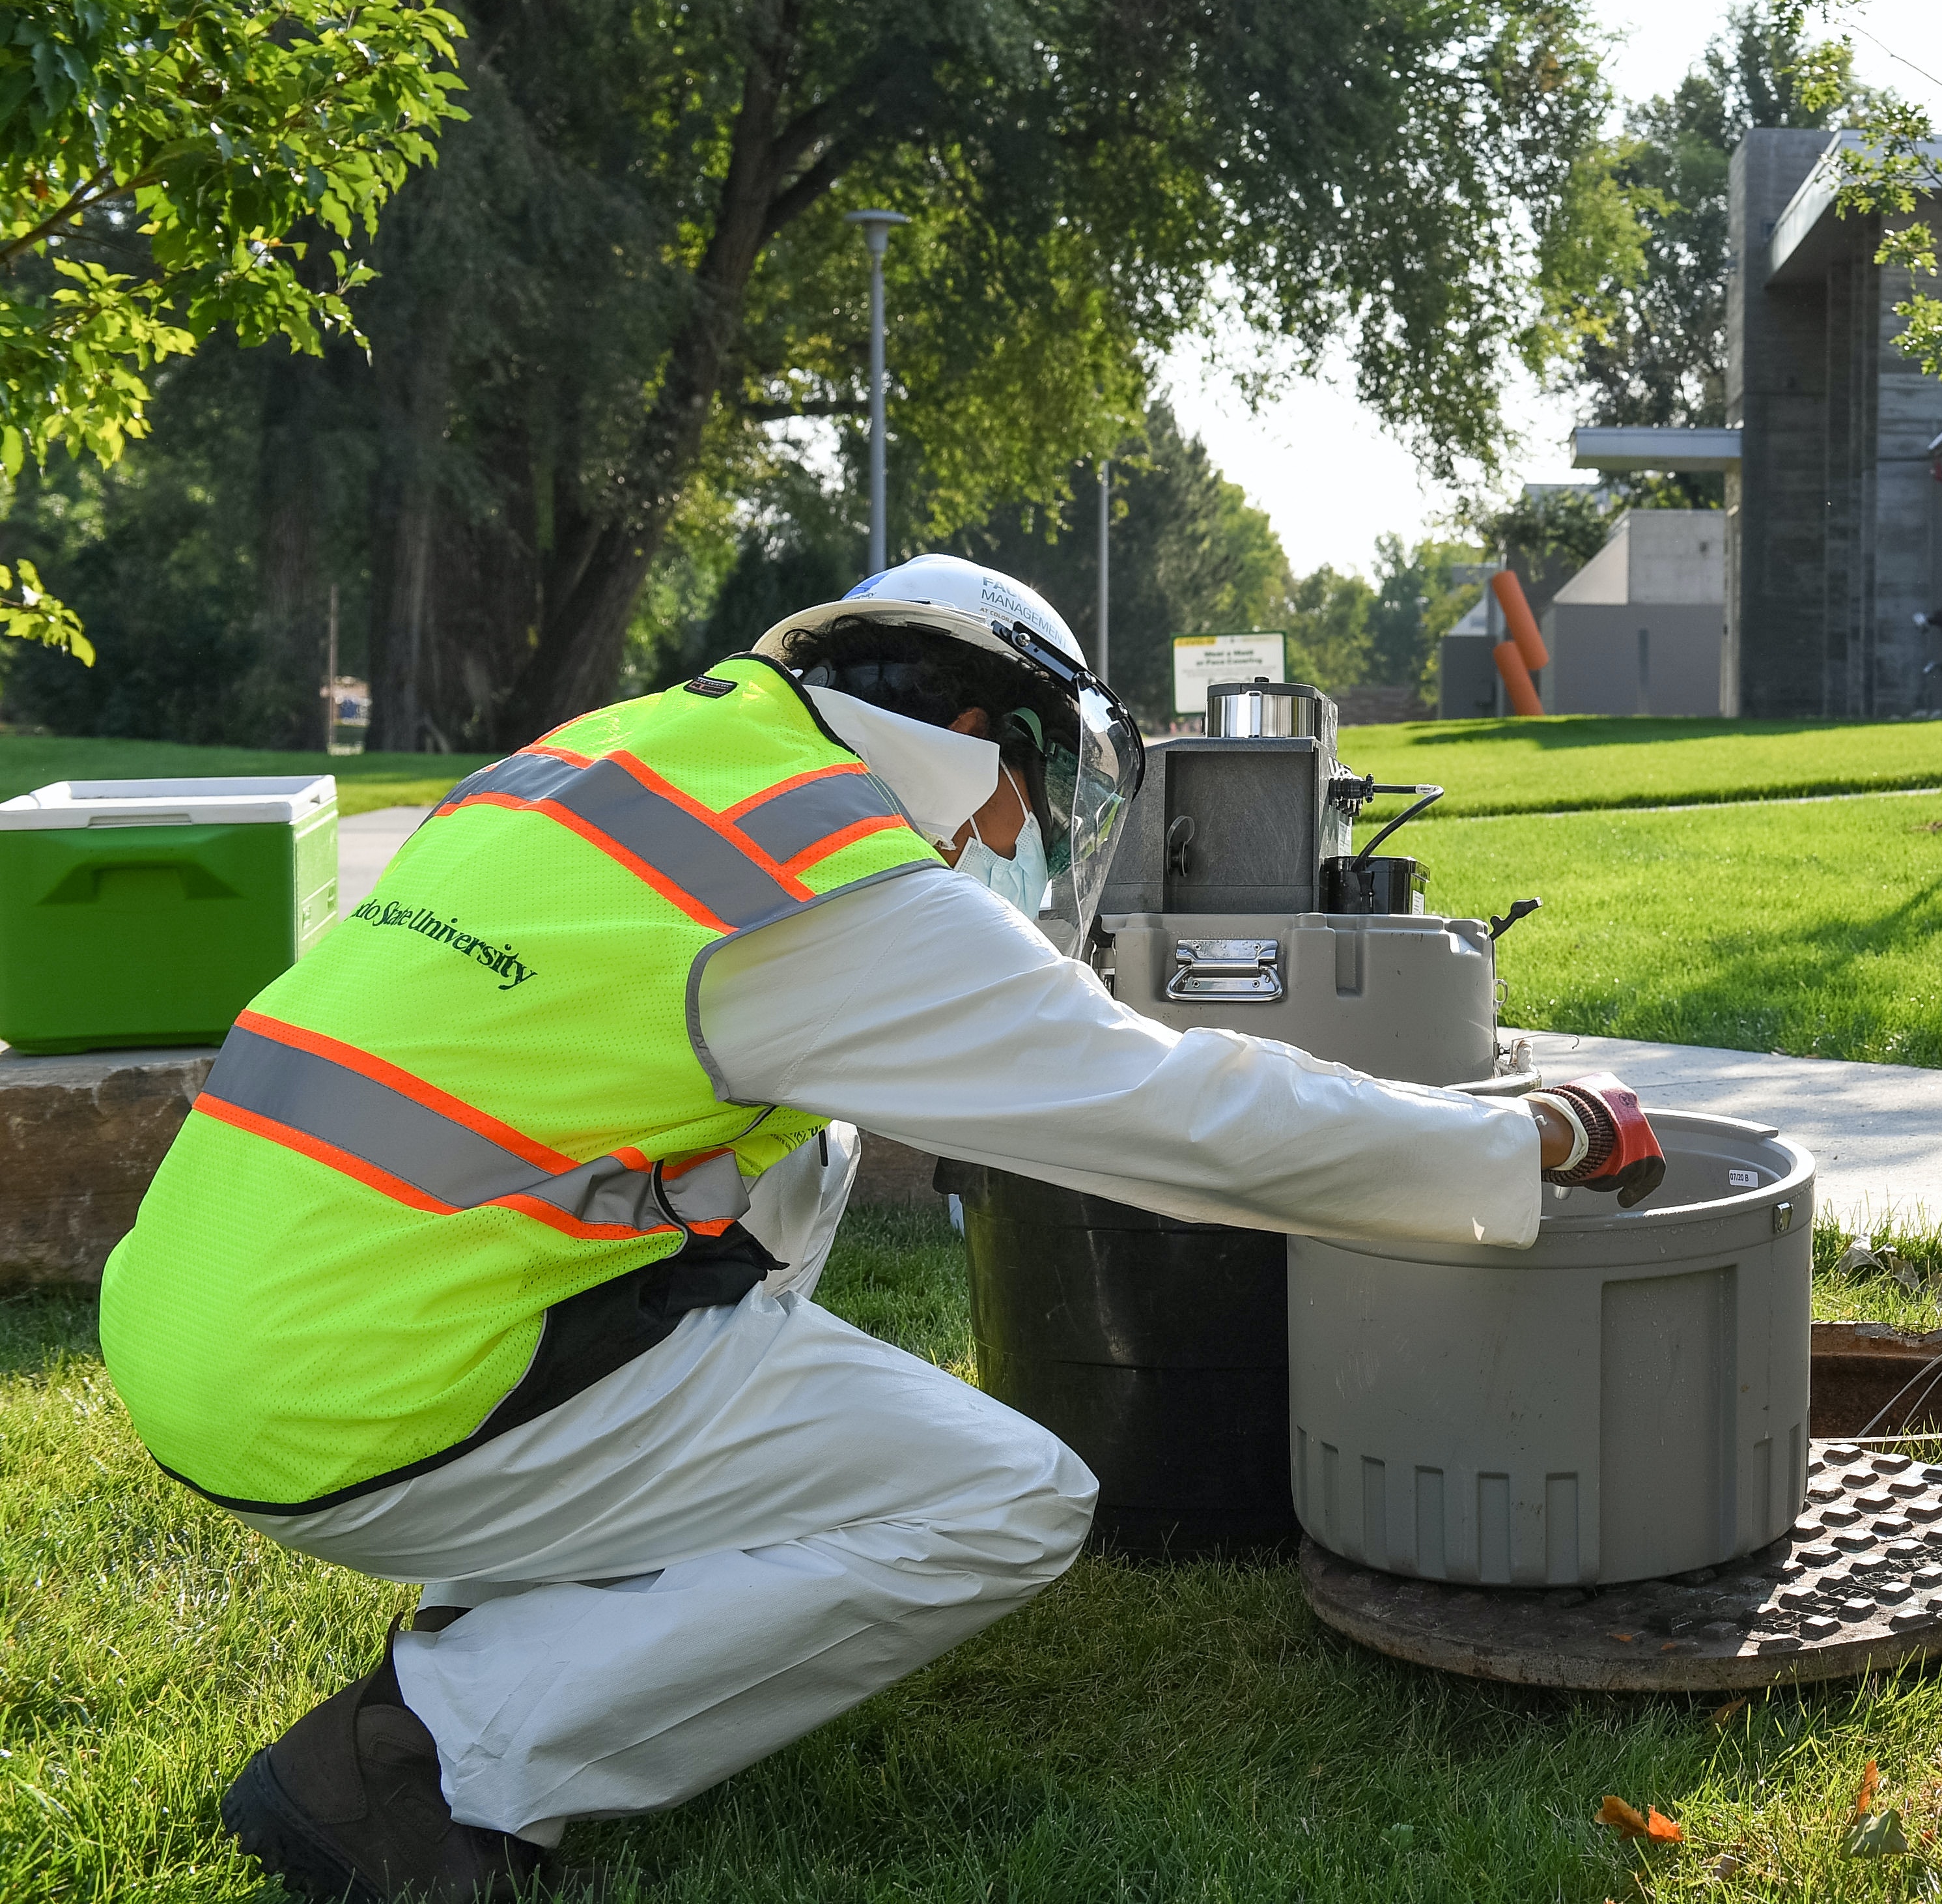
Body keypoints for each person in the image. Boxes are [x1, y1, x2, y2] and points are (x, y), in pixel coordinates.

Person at [96, 554, 1660, 1901]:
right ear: (974, 732)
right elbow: (1179, 1120)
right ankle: (436, 1755)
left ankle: (556, 1581)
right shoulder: (831, 882)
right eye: (1031, 788)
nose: (1022, 834)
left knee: (811, 1152)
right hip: (359, 1399)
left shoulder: (614, 756)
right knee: (1004, 1494)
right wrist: (1513, 1135)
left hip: (207, 1322)